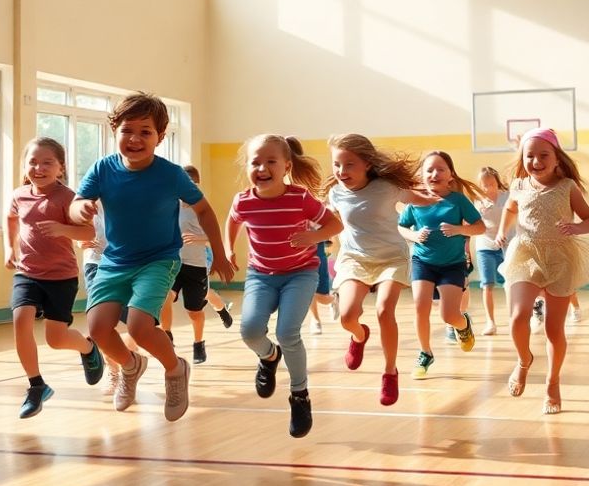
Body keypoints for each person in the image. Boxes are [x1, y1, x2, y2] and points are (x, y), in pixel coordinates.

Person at [71, 93, 233, 419]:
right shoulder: (103, 169)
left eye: (145, 132)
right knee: (99, 328)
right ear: (114, 131)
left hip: (159, 259)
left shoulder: (171, 174)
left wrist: (219, 253)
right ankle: (131, 367)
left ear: (159, 138)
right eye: (127, 130)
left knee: (140, 326)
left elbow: (203, 209)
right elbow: (77, 203)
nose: (135, 138)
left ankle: (175, 370)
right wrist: (81, 209)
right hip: (114, 261)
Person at [225, 134, 343, 437]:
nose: (262, 168)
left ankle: (300, 395)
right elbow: (233, 219)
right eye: (255, 162)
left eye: (270, 162)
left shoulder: (300, 198)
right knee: (250, 330)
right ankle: (269, 356)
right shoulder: (244, 200)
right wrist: (228, 249)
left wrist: (314, 237)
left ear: (286, 166)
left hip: (300, 274)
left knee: (287, 332)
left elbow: (335, 225)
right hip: (261, 275)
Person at [497, 128, 589, 415]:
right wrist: (501, 231)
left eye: (543, 155)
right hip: (526, 253)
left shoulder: (567, 186)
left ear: (557, 159)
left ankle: (552, 382)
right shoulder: (518, 186)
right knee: (518, 316)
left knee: (553, 329)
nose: (536, 161)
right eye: (529, 155)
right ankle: (523, 361)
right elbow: (509, 209)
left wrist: (577, 227)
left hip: (560, 258)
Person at [324, 133, 438, 406]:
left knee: (384, 309)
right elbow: (328, 220)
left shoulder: (386, 188)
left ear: (367, 164)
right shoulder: (336, 192)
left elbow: (416, 198)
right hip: (355, 259)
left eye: (349, 164)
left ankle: (390, 372)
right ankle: (359, 335)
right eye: (337, 164)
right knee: (347, 316)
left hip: (391, 258)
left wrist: (440, 197)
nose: (341, 171)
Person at [5, 137, 102, 418]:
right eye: (33, 162)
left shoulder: (68, 197)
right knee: (20, 318)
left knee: (56, 339)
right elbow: (10, 218)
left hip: (61, 276)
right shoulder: (19, 195)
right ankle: (36, 385)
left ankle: (87, 347)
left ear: (60, 168)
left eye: (48, 162)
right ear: (24, 167)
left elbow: (89, 233)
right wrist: (9, 246)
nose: (39, 167)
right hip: (28, 273)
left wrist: (63, 229)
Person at [399, 151, 484, 379]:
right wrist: (414, 237)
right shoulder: (415, 201)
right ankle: (425, 353)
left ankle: (462, 324)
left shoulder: (457, 201)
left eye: (440, 169)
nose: (434, 174)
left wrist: (459, 230)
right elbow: (401, 227)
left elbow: (480, 227)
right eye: (429, 170)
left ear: (450, 175)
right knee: (420, 305)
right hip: (422, 261)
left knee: (449, 315)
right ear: (422, 175)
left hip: (452, 264)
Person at [161, 165, 235, 365]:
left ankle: (199, 342)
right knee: (165, 298)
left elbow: (213, 236)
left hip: (197, 263)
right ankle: (167, 337)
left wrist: (199, 238)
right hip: (174, 263)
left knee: (195, 310)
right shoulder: (171, 206)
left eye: (192, 184)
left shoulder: (200, 207)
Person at [472, 167, 510, 336]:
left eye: (491, 184)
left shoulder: (507, 197)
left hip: (506, 245)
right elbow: (474, 224)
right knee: (487, 285)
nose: (488, 188)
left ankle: (515, 317)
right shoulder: (478, 201)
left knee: (510, 283)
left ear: (497, 183)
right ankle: (490, 322)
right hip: (485, 246)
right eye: (484, 185)